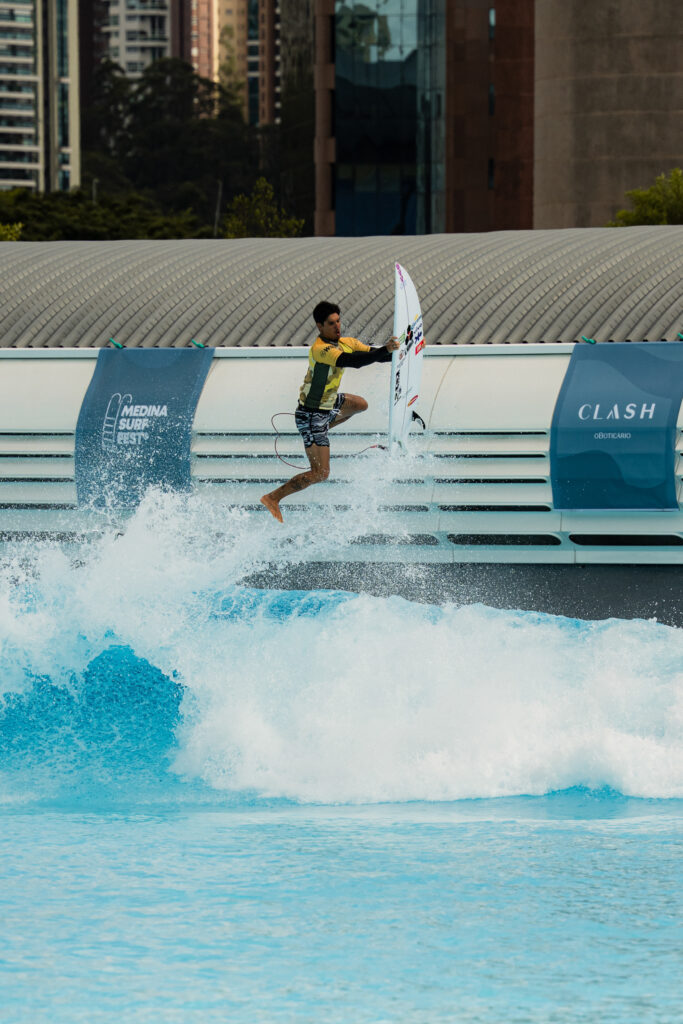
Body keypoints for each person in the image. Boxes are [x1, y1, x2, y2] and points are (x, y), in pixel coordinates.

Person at [260, 301, 399, 522]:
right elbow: (353, 362)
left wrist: (399, 348)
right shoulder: (320, 350)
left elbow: (377, 355)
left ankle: (322, 431)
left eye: (338, 321)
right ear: (320, 326)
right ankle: (273, 498)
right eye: (331, 323)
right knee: (321, 473)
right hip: (311, 414)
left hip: (330, 404)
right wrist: (386, 350)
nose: (337, 326)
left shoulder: (347, 342)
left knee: (360, 404)